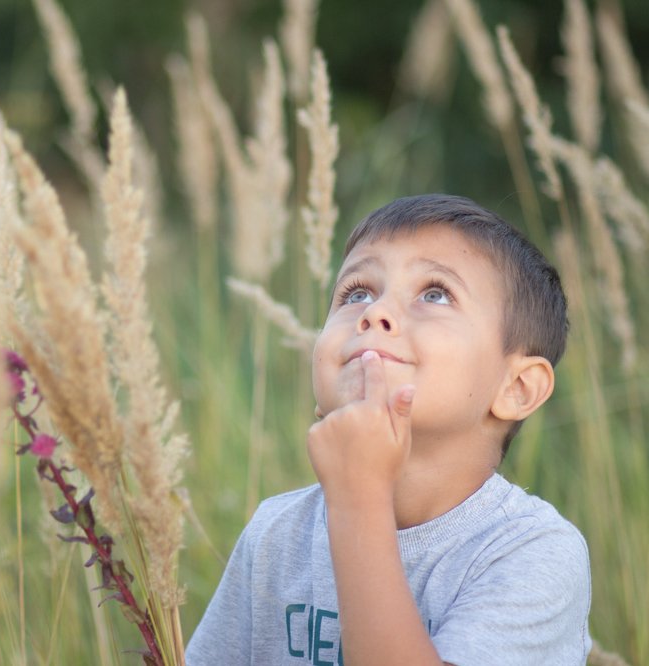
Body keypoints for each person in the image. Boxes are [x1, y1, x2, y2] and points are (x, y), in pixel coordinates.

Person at [185, 194, 591, 665]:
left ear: (517, 388)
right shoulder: (276, 534)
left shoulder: (533, 552)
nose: (373, 313)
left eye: (435, 293)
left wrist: (359, 497)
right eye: (357, 292)